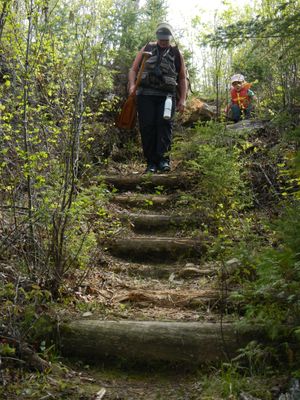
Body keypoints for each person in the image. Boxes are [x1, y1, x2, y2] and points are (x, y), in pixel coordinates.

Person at [128, 22, 187, 173]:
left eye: (166, 39)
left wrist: (182, 100)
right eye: (161, 39)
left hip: (167, 96)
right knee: (147, 127)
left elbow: (182, 78)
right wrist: (132, 85)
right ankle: (151, 162)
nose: (163, 42)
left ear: (170, 38)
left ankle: (163, 160)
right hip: (145, 95)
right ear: (157, 37)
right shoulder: (147, 48)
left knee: (165, 126)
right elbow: (133, 70)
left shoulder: (175, 53)